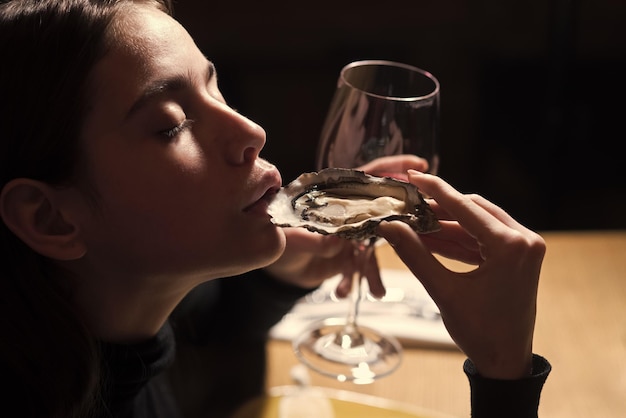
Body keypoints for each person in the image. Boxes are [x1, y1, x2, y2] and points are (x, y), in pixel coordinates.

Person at [0, 0, 550, 417]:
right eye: (170, 124)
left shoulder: (101, 326)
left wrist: (278, 278)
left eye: (215, 90)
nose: (252, 132)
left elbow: (204, 333)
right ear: (50, 218)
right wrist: (505, 375)